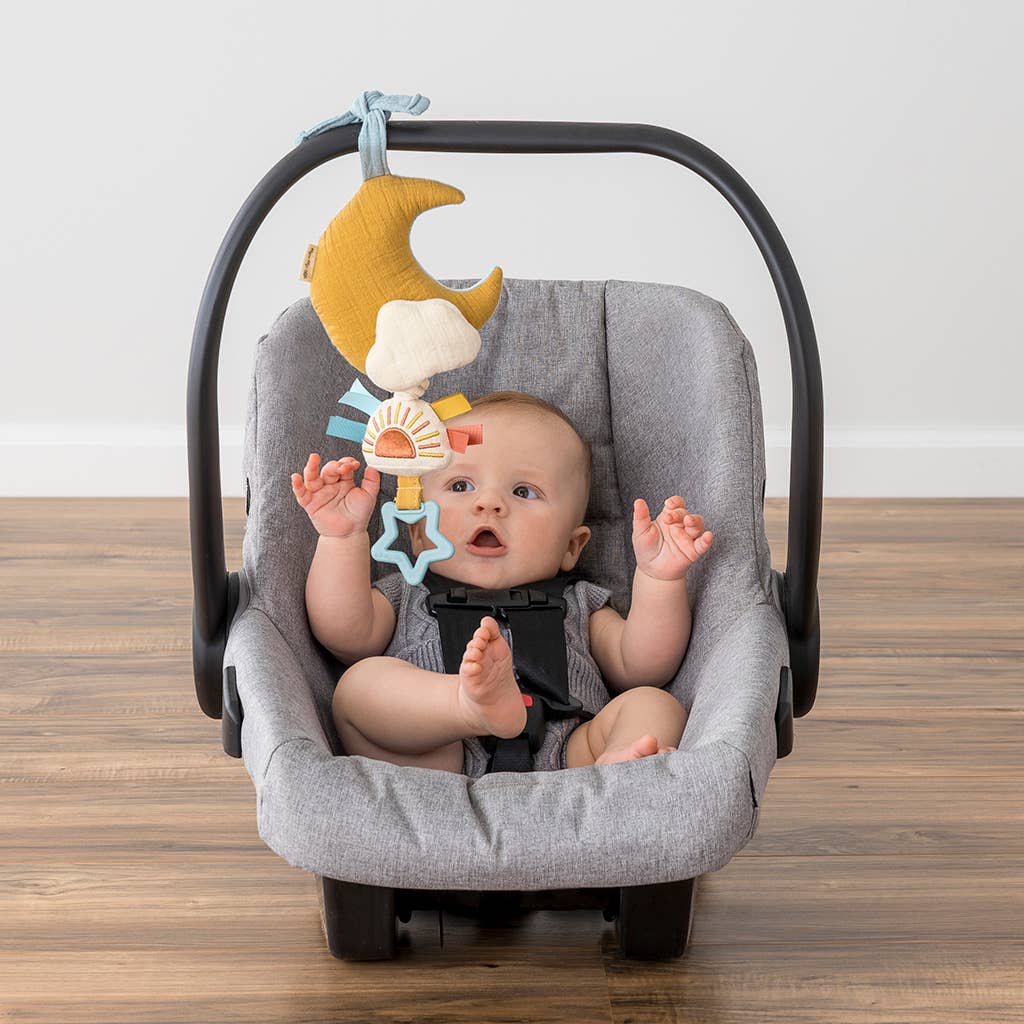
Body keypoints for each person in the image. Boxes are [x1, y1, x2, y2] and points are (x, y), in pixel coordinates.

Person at [291, 391, 714, 777]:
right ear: (417, 533)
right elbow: (344, 634)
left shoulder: (579, 602)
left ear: (571, 547)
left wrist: (659, 578)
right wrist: (342, 538)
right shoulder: (407, 591)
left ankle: (619, 769)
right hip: (438, 758)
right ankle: (465, 705)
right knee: (359, 686)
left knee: (653, 703)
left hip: (571, 757)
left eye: (524, 492)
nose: (489, 503)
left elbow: (641, 666)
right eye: (461, 485)